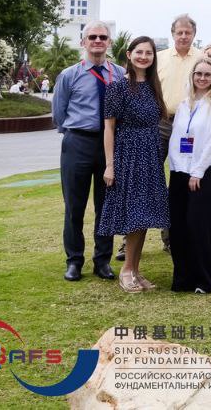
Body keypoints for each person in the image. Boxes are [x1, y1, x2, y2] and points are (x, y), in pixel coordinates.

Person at [98, 36, 170, 293]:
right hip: (128, 156)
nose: (144, 57)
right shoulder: (118, 87)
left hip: (150, 156)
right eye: (139, 52)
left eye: (148, 53)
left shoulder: (153, 86)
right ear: (129, 55)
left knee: (144, 216)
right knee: (133, 215)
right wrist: (110, 165)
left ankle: (135, 270)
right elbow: (109, 128)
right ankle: (126, 271)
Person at [51, 22, 123, 281]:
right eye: (92, 37)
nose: (97, 41)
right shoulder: (69, 75)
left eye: (103, 37)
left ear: (109, 42)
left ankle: (102, 261)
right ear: (83, 42)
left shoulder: (120, 74)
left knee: (106, 207)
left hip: (109, 147)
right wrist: (74, 135)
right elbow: (59, 113)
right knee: (74, 206)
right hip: (78, 143)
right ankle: (74, 261)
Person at [167, 58, 211, 294]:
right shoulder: (184, 104)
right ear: (192, 76)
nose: (202, 78)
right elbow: (176, 138)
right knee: (179, 227)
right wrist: (176, 168)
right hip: (180, 172)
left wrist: (197, 171)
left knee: (199, 226)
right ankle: (183, 279)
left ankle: (204, 279)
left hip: (204, 173)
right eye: (198, 74)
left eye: (208, 75)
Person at [153, 14, 203, 253]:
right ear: (173, 34)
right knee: (149, 178)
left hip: (190, 128)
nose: (183, 36)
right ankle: (127, 240)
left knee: (182, 180)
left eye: (188, 32)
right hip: (161, 124)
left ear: (194, 34)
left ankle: (173, 237)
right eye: (179, 32)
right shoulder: (159, 58)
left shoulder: (202, 59)